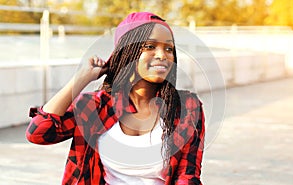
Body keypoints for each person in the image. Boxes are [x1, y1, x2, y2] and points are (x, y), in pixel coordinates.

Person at [26, 12, 205, 185]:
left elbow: (187, 175)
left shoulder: (186, 107)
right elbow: (38, 133)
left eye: (169, 48)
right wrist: (80, 80)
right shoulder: (96, 106)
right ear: (127, 51)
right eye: (150, 46)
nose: (162, 55)